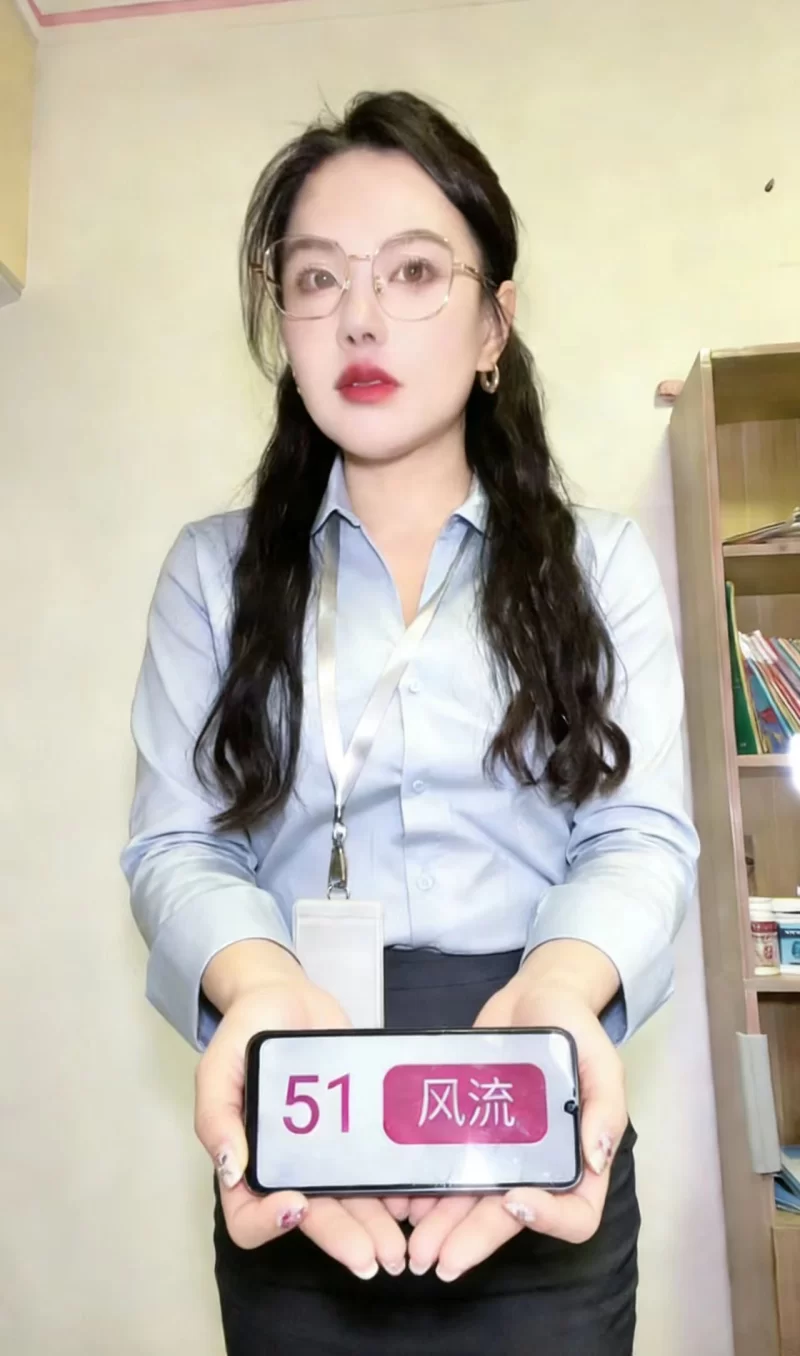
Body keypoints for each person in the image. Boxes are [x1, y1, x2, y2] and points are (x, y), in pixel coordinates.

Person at [120, 89, 700, 1356]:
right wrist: (261, 988)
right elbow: (178, 845)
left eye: (415, 271)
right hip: (300, 1085)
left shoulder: (595, 565)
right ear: (282, 322)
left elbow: (636, 836)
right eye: (316, 278)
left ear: (494, 323)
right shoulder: (211, 575)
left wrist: (557, 991)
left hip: (529, 1074)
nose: (360, 317)